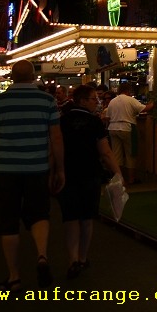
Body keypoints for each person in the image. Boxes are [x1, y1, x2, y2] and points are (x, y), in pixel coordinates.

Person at [0, 59, 65, 291]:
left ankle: (14, 277)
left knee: (7, 221)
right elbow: (56, 138)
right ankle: (42, 255)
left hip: (6, 170)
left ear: (12, 77)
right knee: (39, 214)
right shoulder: (47, 101)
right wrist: (60, 169)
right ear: (33, 77)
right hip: (37, 169)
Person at [55, 84, 122, 279]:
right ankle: (83, 258)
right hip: (89, 174)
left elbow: (54, 148)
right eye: (94, 99)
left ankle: (72, 259)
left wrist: (54, 171)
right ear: (83, 101)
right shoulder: (94, 122)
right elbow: (105, 152)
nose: (97, 102)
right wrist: (118, 173)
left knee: (70, 218)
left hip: (67, 174)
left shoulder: (62, 121)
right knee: (86, 218)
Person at [105, 81, 153, 185]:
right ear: (128, 90)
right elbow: (144, 109)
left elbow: (107, 117)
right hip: (127, 128)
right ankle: (131, 179)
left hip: (113, 128)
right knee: (130, 154)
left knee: (116, 155)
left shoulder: (112, 101)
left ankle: (119, 179)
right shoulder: (130, 100)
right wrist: (154, 103)